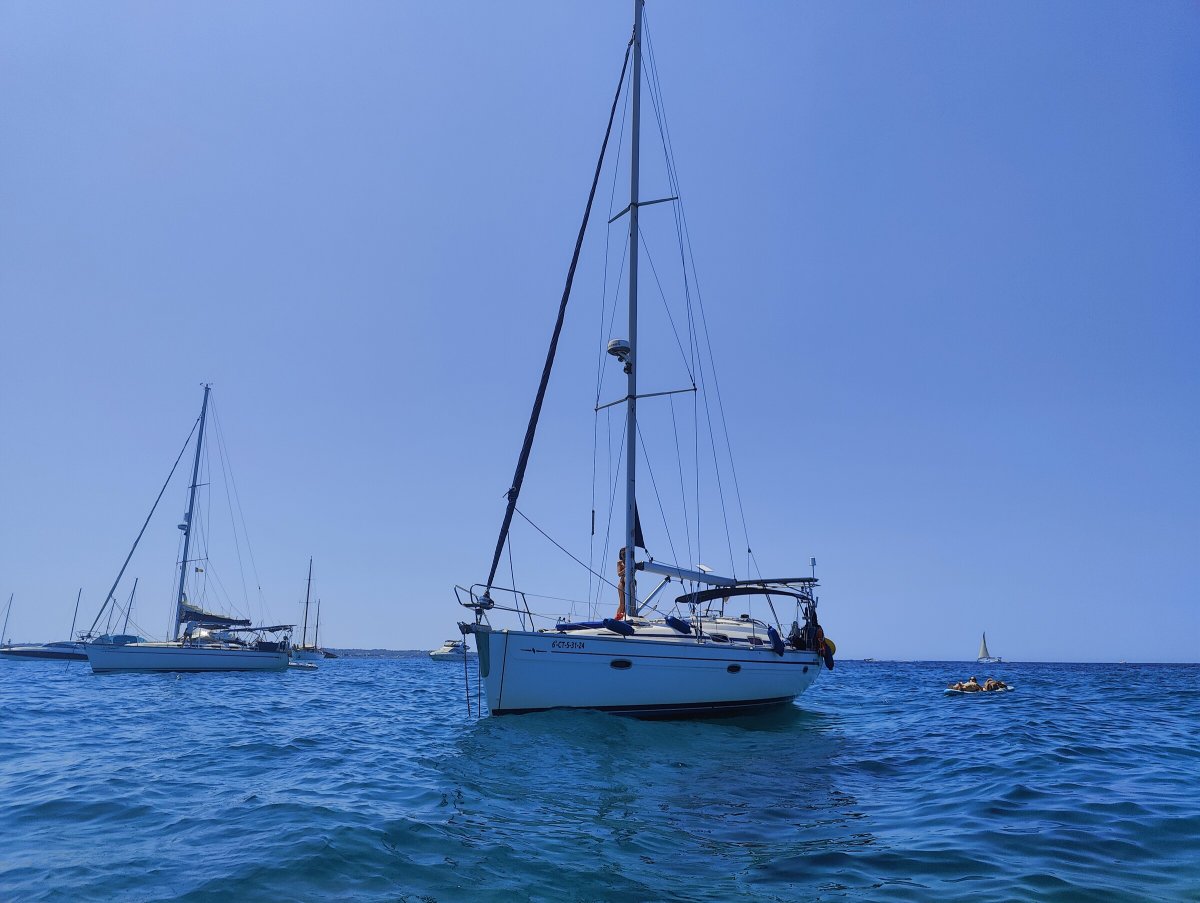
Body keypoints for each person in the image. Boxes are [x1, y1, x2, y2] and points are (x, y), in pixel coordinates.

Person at [614, 547, 627, 621]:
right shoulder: (619, 562)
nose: (623, 555)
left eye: (625, 553)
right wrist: (626, 568)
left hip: (629, 583)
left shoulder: (631, 561)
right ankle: (616, 619)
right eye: (622, 554)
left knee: (627, 604)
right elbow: (619, 574)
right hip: (622, 583)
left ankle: (624, 617)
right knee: (622, 603)